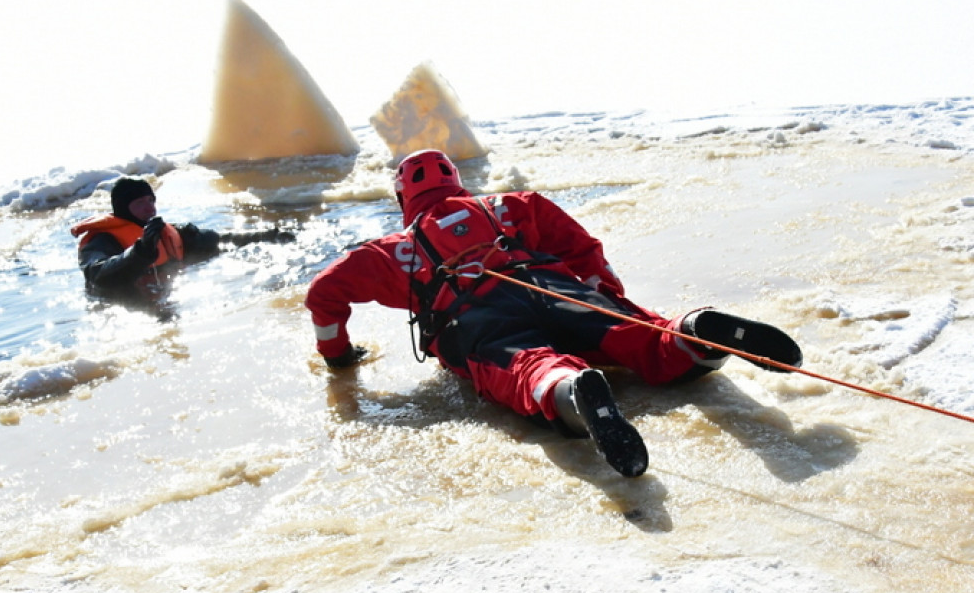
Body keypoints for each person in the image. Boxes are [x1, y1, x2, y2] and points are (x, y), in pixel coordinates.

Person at [305, 149, 803, 477]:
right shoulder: (510, 205)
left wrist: (339, 356)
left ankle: (572, 391)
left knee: (528, 369)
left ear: (403, 199)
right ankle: (694, 332)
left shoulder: (393, 249)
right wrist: (606, 301)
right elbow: (584, 248)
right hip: (548, 281)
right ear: (458, 183)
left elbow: (323, 294)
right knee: (640, 336)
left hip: (475, 317)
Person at [70, 177, 222, 288]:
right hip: (121, 305)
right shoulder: (101, 241)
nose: (150, 208)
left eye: (150, 200)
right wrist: (141, 251)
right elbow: (97, 276)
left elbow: (220, 241)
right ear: (123, 208)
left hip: (164, 292)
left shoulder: (165, 232)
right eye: (140, 203)